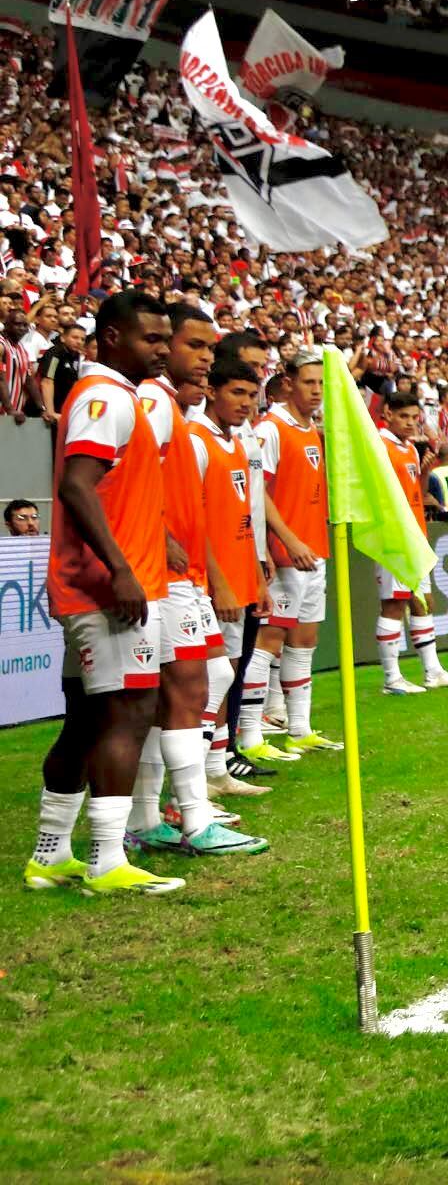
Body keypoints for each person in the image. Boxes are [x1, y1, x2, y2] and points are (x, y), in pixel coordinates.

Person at [25, 290, 184, 896]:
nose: (163, 350)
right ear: (113, 337)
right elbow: (77, 485)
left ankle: (50, 854)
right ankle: (106, 860)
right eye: (152, 338)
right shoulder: (106, 396)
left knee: (87, 719)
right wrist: (120, 569)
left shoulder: (116, 395)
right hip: (109, 590)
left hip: (105, 583)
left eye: (166, 339)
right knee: (130, 712)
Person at [125, 303, 266, 856]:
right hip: (166, 576)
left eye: (210, 348)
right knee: (187, 689)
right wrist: (160, 536)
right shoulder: (154, 403)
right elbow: (121, 475)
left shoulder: (173, 410)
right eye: (194, 346)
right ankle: (194, 818)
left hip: (186, 575)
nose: (205, 358)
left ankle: (150, 815)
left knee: (196, 684)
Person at [188, 358, 274, 806]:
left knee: (227, 674)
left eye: (251, 395)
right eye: (237, 393)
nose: (245, 403)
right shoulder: (196, 440)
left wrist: (256, 575)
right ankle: (194, 780)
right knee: (211, 677)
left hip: (240, 575)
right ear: (211, 390)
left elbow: (245, 517)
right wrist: (218, 581)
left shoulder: (236, 442)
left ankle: (216, 770)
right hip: (209, 582)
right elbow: (192, 521)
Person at [254, 353, 341, 754]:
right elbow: (258, 491)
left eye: (321, 383)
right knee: (268, 641)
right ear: (287, 383)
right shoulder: (271, 429)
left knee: (305, 642)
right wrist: (287, 541)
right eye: (309, 382)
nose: (317, 391)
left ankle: (300, 728)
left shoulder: (310, 431)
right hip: (286, 555)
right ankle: (250, 735)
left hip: (313, 551)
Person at [374, 392, 448, 693]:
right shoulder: (379, 446)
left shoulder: (410, 449)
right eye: (403, 416)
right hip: (394, 536)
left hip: (416, 534)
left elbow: (416, 491)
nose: (410, 423)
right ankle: (391, 678)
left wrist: (426, 472)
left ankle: (433, 671)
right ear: (387, 414)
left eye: (415, 417)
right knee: (394, 604)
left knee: (424, 602)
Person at [38, 322, 85, 430]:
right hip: (46, 412)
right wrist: (50, 411)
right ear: (63, 338)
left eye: (82, 339)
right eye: (75, 337)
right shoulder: (55, 353)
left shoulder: (76, 356)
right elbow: (47, 382)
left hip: (63, 409)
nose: (79, 342)